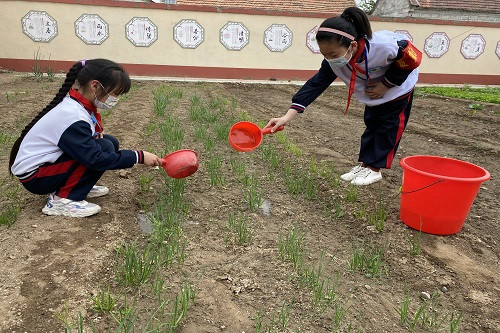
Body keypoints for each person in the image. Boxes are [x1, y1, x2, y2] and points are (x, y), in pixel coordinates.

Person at [266, 7, 422, 186]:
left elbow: (413, 58)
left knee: (388, 127)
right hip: (373, 92)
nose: (330, 59)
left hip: (397, 89)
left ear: (353, 45)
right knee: (372, 124)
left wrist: (386, 84)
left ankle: (375, 170)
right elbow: (316, 84)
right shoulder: (335, 61)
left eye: (333, 54)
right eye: (325, 55)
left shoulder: (384, 46)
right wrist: (286, 117)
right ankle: (365, 165)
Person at [9, 59, 162, 217]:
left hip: (45, 166)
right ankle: (63, 200)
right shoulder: (72, 116)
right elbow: (95, 158)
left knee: (108, 143)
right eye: (115, 93)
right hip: (36, 177)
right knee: (101, 150)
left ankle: (78, 186)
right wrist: (138, 156)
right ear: (94, 85)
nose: (116, 99)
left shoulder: (76, 105)